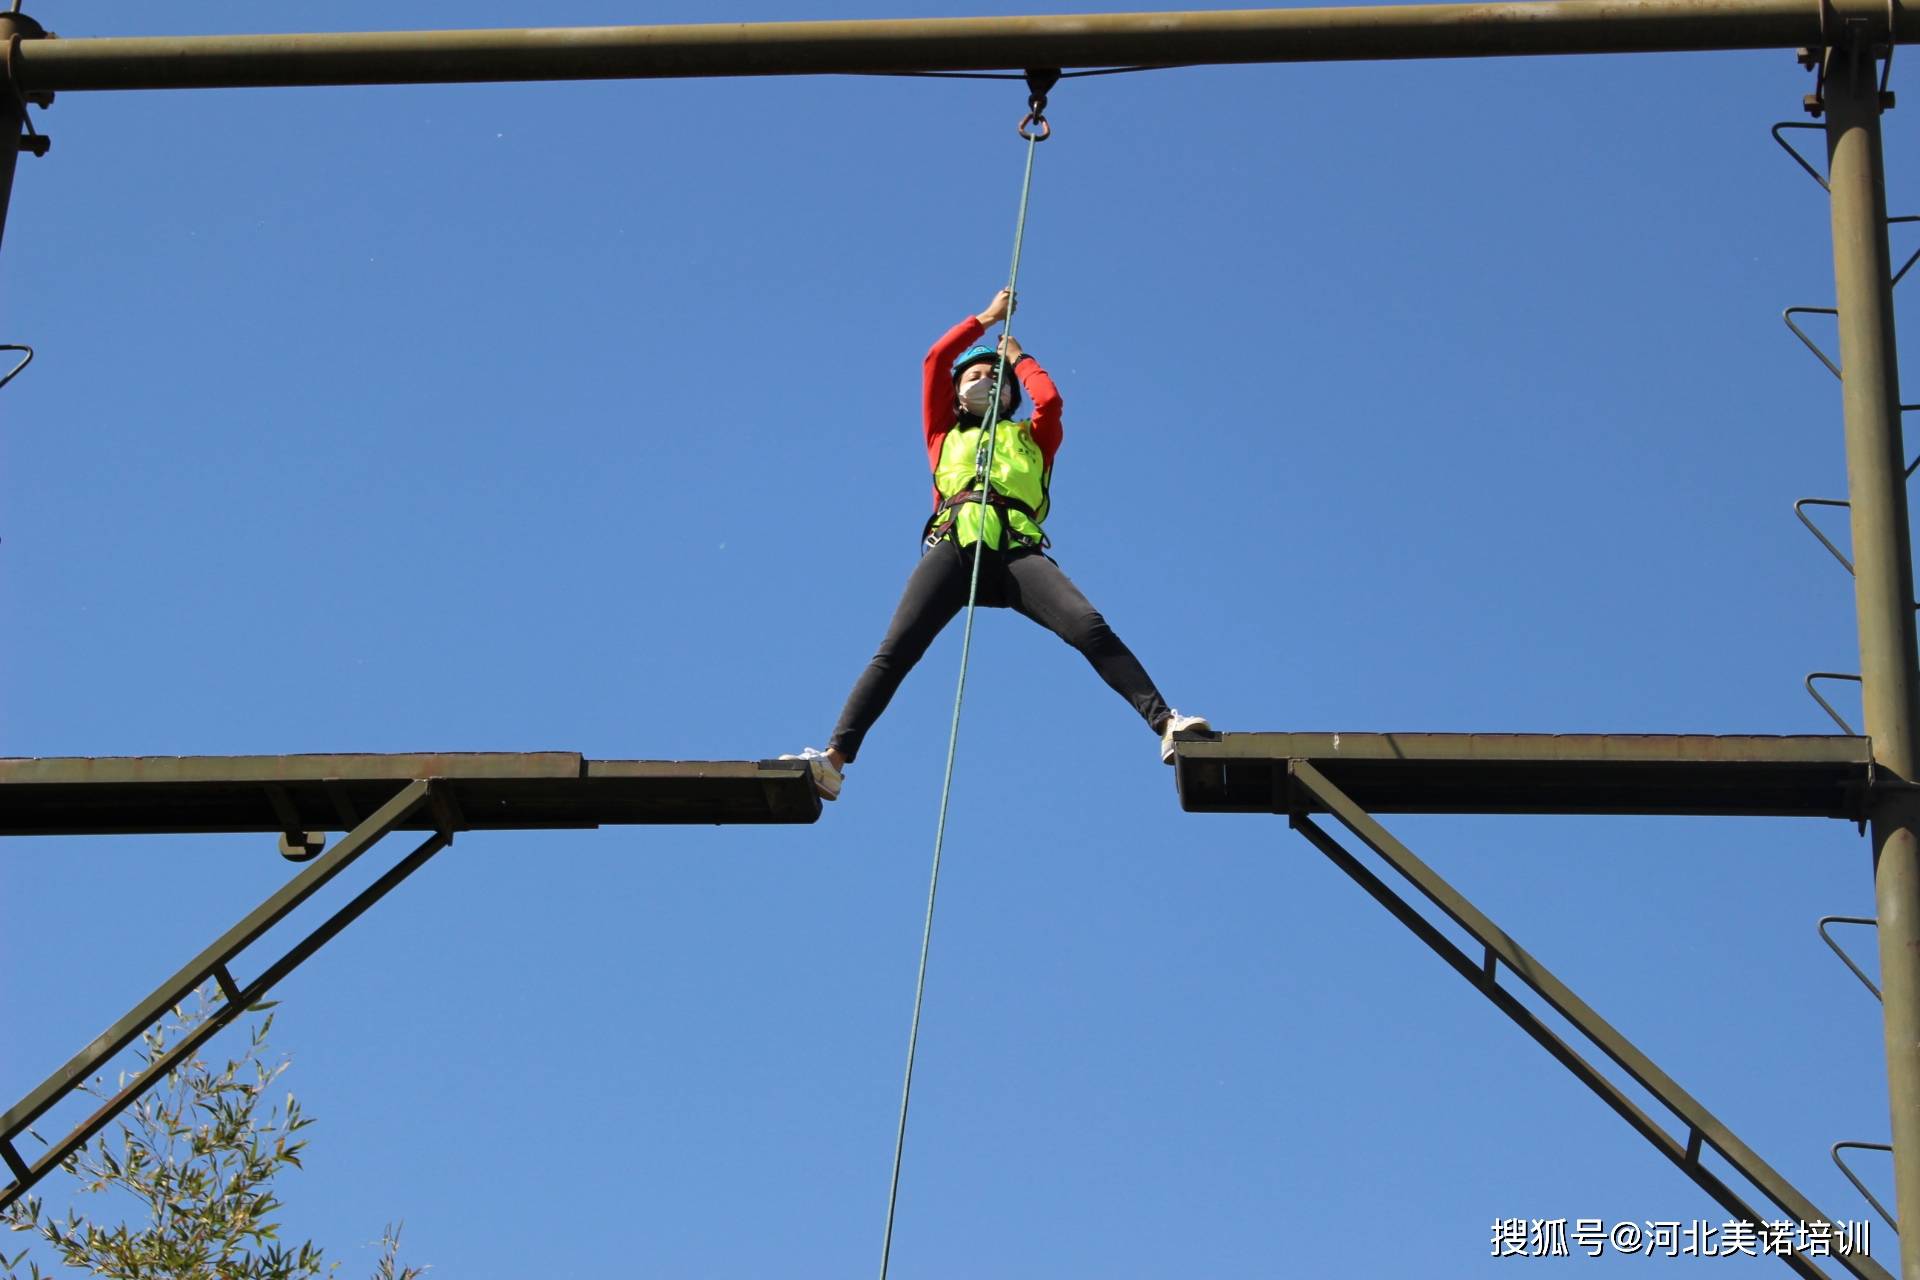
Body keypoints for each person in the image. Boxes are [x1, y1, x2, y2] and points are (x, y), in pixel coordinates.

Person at [786, 288, 1207, 800]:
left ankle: (1167, 725)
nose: (988, 381)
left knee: (1089, 627)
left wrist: (1018, 358)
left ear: (1011, 395)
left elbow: (1050, 400)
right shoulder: (943, 433)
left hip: (1015, 551)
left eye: (997, 380)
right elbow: (936, 359)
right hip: (956, 543)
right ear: (958, 392)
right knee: (896, 650)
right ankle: (833, 759)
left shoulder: (1033, 438)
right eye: (976, 377)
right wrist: (985, 320)